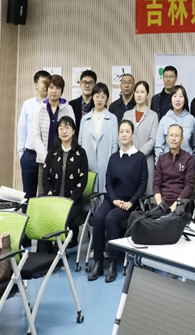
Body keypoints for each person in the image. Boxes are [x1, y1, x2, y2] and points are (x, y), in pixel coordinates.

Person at [88, 120, 147, 283]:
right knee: (99, 218)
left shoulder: (140, 158)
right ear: (118, 135)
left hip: (130, 202)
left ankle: (113, 263)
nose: (124, 134)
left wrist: (131, 202)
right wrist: (114, 200)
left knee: (111, 218)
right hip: (113, 200)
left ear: (133, 134)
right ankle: (98, 263)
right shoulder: (114, 158)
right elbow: (108, 183)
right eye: (121, 131)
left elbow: (143, 185)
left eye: (127, 131)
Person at [41, 116, 88, 248]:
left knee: (61, 216)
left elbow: (83, 180)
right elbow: (45, 177)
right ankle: (42, 253)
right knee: (42, 216)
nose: (64, 131)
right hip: (53, 199)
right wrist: (51, 196)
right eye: (61, 128)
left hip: (72, 202)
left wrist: (70, 200)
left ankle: (58, 253)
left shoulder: (80, 153)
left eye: (67, 128)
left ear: (73, 131)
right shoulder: (52, 152)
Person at [30, 74, 75, 195]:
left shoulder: (68, 109)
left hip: (63, 160)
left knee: (60, 193)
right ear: (47, 89)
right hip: (43, 160)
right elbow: (36, 136)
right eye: (51, 87)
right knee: (43, 193)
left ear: (62, 91)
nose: (54, 91)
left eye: (57, 88)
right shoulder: (40, 109)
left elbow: (71, 133)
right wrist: (47, 158)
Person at [78, 83, 119, 193]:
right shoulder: (85, 119)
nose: (99, 100)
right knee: (88, 195)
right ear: (92, 97)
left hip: (106, 164)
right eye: (97, 96)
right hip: (88, 164)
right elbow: (80, 143)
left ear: (107, 99)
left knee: (105, 194)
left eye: (103, 96)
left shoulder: (112, 119)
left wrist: (112, 164)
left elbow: (115, 145)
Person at [18, 70, 51, 199]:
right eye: (43, 82)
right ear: (36, 85)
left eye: (48, 82)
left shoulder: (53, 104)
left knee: (45, 195)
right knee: (28, 195)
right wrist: (21, 154)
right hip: (30, 155)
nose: (46, 86)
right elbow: (22, 129)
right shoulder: (27, 104)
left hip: (46, 156)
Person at [123, 81, 159, 195]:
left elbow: (153, 139)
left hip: (146, 160)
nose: (139, 94)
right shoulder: (127, 114)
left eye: (142, 92)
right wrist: (129, 153)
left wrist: (138, 155)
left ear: (147, 95)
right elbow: (121, 136)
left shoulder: (153, 115)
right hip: (128, 160)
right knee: (129, 195)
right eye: (137, 92)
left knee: (147, 197)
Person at [153, 124, 195, 210]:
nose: (173, 139)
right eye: (171, 135)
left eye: (177, 136)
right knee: (136, 216)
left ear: (182, 139)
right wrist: (160, 204)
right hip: (162, 203)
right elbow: (156, 184)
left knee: (170, 218)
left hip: (180, 204)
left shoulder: (188, 159)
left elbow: (189, 186)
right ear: (167, 138)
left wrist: (177, 204)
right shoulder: (161, 159)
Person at [154, 85, 195, 163]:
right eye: (175, 96)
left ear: (185, 100)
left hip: (186, 164)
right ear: (171, 99)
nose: (177, 99)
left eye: (181, 96)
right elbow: (159, 147)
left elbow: (194, 147)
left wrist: (192, 164)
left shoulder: (191, 120)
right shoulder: (164, 120)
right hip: (167, 165)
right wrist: (160, 165)